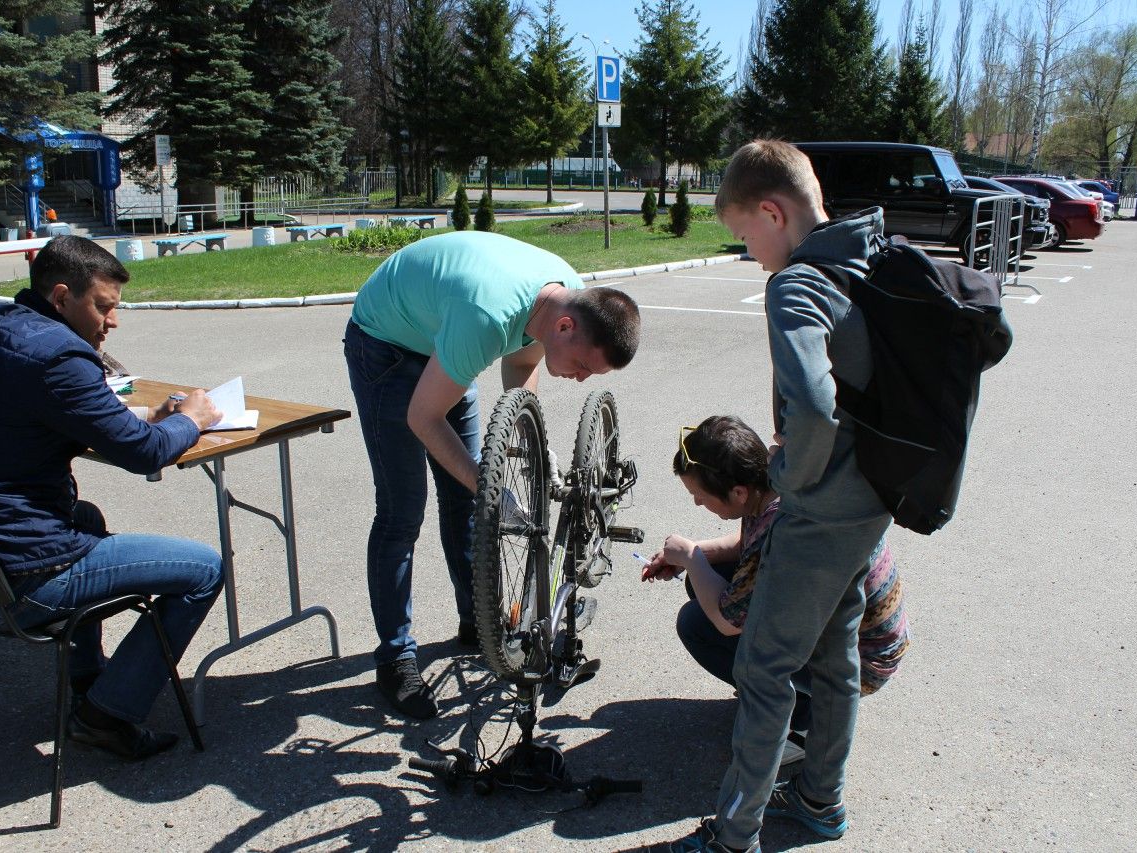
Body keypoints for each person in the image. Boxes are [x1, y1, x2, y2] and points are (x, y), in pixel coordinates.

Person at [665, 140, 894, 853]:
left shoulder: (796, 283)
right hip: (873, 502)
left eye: (743, 234)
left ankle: (732, 840)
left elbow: (816, 411)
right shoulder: (871, 254)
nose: (749, 250)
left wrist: (788, 479)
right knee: (833, 659)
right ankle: (821, 801)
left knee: (764, 671)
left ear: (773, 211)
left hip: (824, 509)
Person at [0, 235, 226, 761]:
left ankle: (89, 681)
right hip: (16, 575)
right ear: (61, 297)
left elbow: (42, 414)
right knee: (204, 570)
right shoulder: (58, 356)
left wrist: (128, 420)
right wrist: (190, 420)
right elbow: (144, 454)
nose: (113, 322)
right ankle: (106, 715)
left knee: (85, 516)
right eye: (104, 307)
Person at [343, 230, 640, 719]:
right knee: (402, 511)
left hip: (445, 333)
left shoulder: (566, 297)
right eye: (584, 366)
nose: (582, 378)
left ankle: (477, 623)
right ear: (566, 326)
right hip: (387, 346)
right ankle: (395, 659)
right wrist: (492, 486)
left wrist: (524, 452)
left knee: (466, 499)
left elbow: (523, 362)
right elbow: (423, 418)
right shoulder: (486, 316)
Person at [642, 416, 909, 766]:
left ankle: (801, 725)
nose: (696, 504)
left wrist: (691, 556)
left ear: (737, 492)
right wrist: (693, 555)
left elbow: (727, 621)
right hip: (857, 635)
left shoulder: (781, 525)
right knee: (704, 579)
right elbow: (744, 545)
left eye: (699, 496)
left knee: (696, 623)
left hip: (861, 660)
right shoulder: (774, 481)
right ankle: (785, 693)